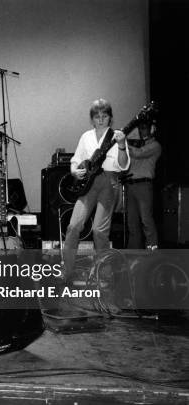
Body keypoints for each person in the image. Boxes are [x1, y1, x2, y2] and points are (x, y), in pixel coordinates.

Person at [62, 99, 130, 279]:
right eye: (97, 116)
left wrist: (122, 145)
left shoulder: (117, 136)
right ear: (92, 119)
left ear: (110, 118)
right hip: (89, 184)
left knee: (99, 231)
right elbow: (76, 160)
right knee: (73, 225)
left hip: (109, 182)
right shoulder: (85, 137)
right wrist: (75, 172)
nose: (100, 120)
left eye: (104, 116)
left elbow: (123, 165)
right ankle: (66, 272)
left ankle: (105, 276)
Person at [125, 120, 160, 249]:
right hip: (131, 185)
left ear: (152, 129)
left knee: (146, 220)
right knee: (132, 223)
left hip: (144, 186)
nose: (141, 131)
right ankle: (132, 254)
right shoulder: (137, 145)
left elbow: (139, 154)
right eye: (140, 128)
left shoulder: (155, 145)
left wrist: (122, 143)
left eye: (144, 128)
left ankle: (152, 253)